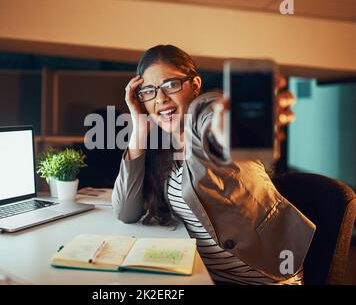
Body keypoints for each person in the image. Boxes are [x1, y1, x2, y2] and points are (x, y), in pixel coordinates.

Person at [111, 44, 316, 285]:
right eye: (149, 91)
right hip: (207, 277)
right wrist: (139, 126)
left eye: (170, 85)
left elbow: (215, 126)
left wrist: (233, 126)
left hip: (262, 280)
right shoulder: (164, 150)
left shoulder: (204, 114)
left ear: (195, 85)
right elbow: (126, 212)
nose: (161, 98)